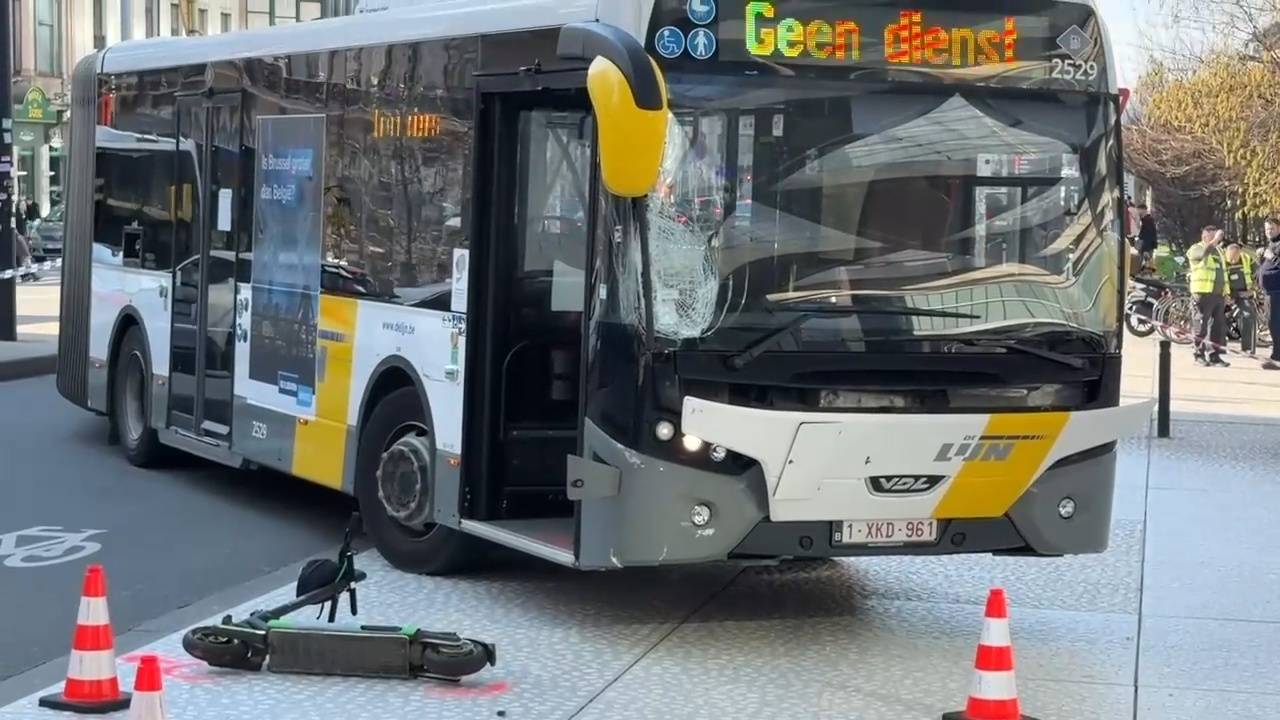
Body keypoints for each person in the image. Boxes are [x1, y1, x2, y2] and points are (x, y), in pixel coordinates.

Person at [1186, 225, 1231, 367]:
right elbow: (1203, 254)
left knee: (1217, 327)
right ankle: (1198, 355)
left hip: (1218, 294)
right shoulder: (1196, 248)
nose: (1216, 239)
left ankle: (1214, 356)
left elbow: (1223, 272)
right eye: (1212, 236)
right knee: (1201, 326)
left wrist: (1226, 292)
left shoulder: (1219, 251)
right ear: (1204, 236)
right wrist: (1215, 240)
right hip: (1202, 293)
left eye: (1216, 236)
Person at [1225, 242, 1258, 355]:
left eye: (1235, 257)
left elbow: (1258, 275)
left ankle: (1247, 348)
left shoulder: (1247, 259)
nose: (1233, 260)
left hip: (1243, 293)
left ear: (1239, 253)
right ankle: (1219, 347)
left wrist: (1252, 290)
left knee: (1249, 315)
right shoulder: (1222, 260)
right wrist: (1225, 296)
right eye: (1231, 257)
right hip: (1227, 293)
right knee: (1219, 315)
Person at [1260, 218, 1280, 370]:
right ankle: (1276, 353)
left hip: (1277, 290)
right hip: (1269, 290)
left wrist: (1271, 256)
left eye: (1272, 228)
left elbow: (1275, 261)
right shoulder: (1271, 244)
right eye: (1267, 229)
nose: (1269, 232)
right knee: (1272, 323)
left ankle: (1277, 356)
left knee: (1275, 323)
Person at [1136, 204, 1157, 270]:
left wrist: (1146, 249)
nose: (1137, 211)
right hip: (1146, 245)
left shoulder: (1147, 220)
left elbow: (1148, 235)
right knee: (1144, 263)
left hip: (1147, 245)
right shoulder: (1145, 220)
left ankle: (1146, 272)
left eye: (1138, 210)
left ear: (1143, 210)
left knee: (1146, 263)